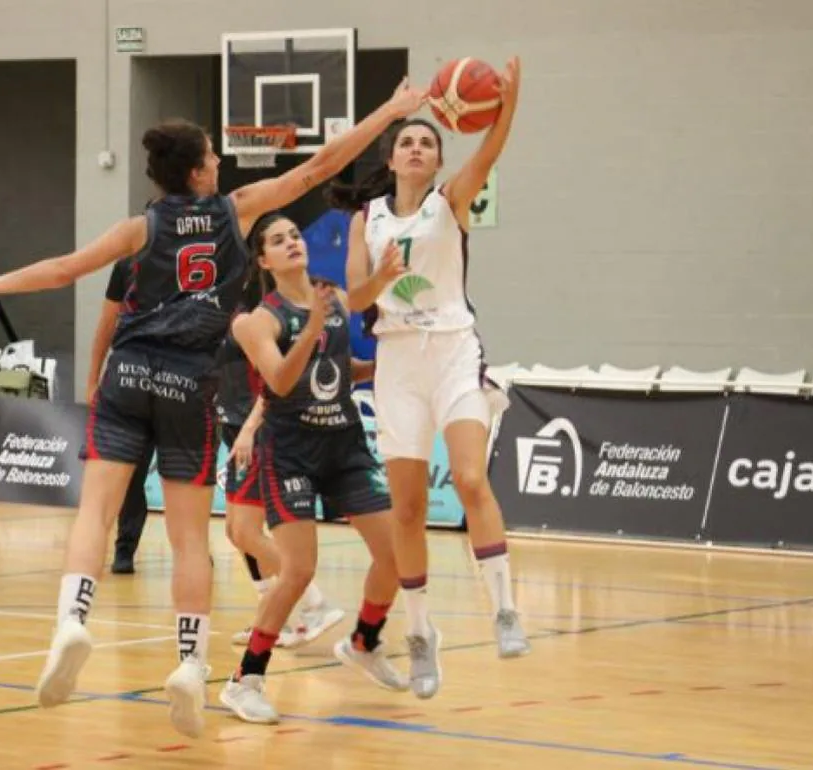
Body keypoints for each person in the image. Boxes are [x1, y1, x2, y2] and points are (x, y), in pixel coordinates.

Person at [0, 79, 426, 738]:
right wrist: (392, 112)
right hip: (188, 384)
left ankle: (72, 622)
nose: (221, 164)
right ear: (198, 170)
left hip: (128, 373)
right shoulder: (236, 212)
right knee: (190, 537)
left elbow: (62, 270)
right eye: (213, 157)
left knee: (97, 511)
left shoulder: (139, 227)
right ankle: (191, 664)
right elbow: (321, 166)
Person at [331, 58, 530, 695]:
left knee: (470, 478)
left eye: (427, 143)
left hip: (451, 351)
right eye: (407, 142)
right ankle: (420, 635)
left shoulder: (451, 201)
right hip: (397, 363)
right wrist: (381, 280)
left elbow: (491, 152)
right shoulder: (368, 219)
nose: (416, 148)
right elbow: (354, 298)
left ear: (439, 161)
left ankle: (504, 608)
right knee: (409, 510)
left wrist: (507, 108)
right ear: (391, 159)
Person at [221, 213, 406, 725]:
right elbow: (279, 380)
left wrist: (391, 364)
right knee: (297, 570)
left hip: (344, 445)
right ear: (264, 260)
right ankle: (245, 680)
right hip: (291, 451)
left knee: (396, 555)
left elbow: (339, 368)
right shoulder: (261, 319)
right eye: (278, 241)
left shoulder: (332, 295)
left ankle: (365, 640)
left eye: (295, 236)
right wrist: (315, 328)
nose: (292, 243)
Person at [216, 273, 345, 650]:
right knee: (236, 533)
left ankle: (314, 603)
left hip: (254, 431)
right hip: (234, 427)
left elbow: (275, 381)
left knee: (245, 532)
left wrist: (251, 426)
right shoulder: (209, 321)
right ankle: (274, 617)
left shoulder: (247, 320)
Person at [87, 256, 153, 574]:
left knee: (183, 477)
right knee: (132, 474)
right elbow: (106, 323)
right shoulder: (127, 264)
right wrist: (92, 379)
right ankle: (124, 549)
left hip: (182, 381)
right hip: (132, 380)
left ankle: (192, 549)